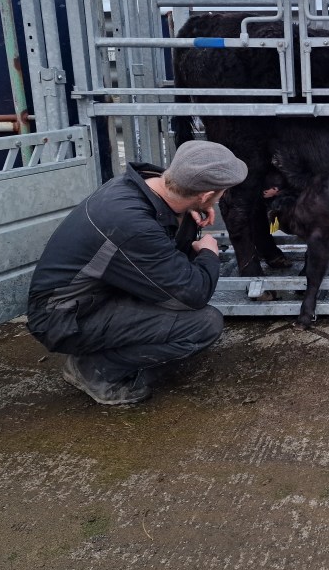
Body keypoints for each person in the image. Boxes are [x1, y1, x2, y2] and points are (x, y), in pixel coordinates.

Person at [27, 140, 248, 406]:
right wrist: (209, 253)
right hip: (63, 317)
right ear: (205, 194)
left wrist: (187, 208)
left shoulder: (138, 187)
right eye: (221, 193)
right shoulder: (132, 224)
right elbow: (193, 294)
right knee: (203, 325)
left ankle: (103, 351)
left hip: (91, 297)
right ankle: (95, 370)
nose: (222, 197)